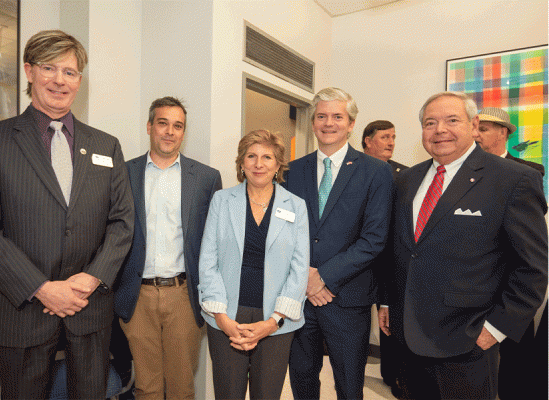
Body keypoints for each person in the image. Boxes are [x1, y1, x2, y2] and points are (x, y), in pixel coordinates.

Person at [0, 30, 135, 399]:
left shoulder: (106, 146)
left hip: (88, 311)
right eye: (49, 68)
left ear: (80, 80)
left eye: (70, 72)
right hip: (22, 313)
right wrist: (42, 289)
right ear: (29, 71)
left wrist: (91, 279)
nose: (60, 80)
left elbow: (122, 223)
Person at [378, 92, 548, 400]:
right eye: (430, 123)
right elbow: (399, 250)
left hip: (468, 341)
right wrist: (388, 301)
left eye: (451, 120)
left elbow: (533, 267)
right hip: (408, 337)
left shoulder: (513, 179)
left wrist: (496, 329)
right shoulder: (407, 180)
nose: (440, 129)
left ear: (474, 126)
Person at [285, 87, 394, 399]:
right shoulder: (294, 170)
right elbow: (284, 232)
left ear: (351, 123)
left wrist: (322, 277)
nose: (328, 123)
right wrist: (305, 276)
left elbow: (374, 240)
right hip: (299, 297)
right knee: (302, 378)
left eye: (337, 116)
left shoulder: (376, 171)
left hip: (347, 297)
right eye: (321, 116)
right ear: (312, 122)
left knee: (348, 383)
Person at [113, 96, 222, 399]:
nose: (170, 132)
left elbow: (212, 242)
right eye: (163, 123)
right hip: (137, 297)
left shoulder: (206, 178)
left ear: (183, 133)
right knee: (146, 387)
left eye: (178, 126)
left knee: (181, 386)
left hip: (183, 297)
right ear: (149, 127)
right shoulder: (123, 173)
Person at [198, 129, 309, 400]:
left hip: (274, 318)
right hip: (226, 314)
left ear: (278, 165)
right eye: (251, 156)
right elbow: (208, 259)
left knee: (267, 395)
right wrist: (222, 319)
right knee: (228, 394)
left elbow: (300, 267)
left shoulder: (296, 206)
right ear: (241, 162)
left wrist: (272, 322)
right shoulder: (222, 201)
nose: (259, 164)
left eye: (267, 157)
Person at [472, 106, 546, 400]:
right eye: (476, 127)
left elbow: (529, 238)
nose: (477, 134)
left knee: (515, 357)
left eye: (485, 129)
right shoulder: (463, 172)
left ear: (504, 133)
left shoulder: (529, 173)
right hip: (475, 281)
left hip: (512, 278)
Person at [362, 119, 409, 396]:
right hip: (359, 256)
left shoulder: (403, 174)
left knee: (391, 314)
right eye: (384, 137)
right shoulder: (353, 169)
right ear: (368, 140)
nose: (391, 142)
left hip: (390, 257)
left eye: (393, 137)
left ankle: (395, 374)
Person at [472, 106, 545, 176]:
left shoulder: (530, 171)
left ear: (502, 132)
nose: (475, 134)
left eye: (483, 129)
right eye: (473, 130)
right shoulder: (465, 168)